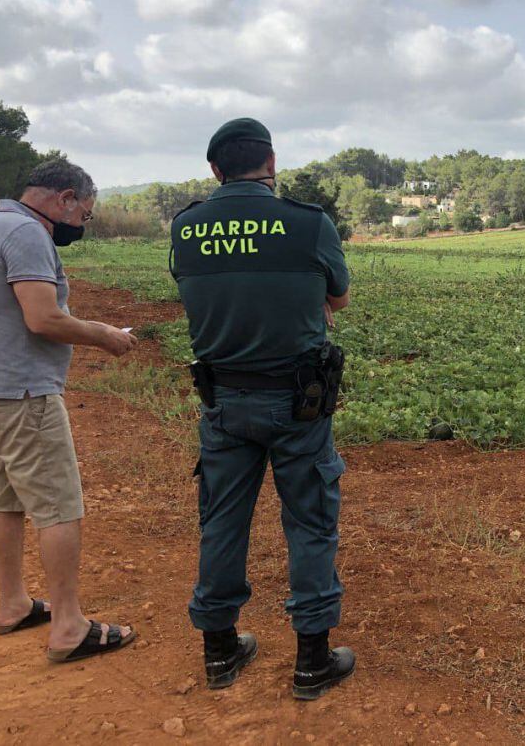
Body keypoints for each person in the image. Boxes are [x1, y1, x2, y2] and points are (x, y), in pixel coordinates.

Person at [169, 118, 354, 699]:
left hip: (222, 400)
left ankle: (220, 651)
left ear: (215, 171)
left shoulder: (187, 226)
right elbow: (339, 298)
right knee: (310, 522)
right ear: (271, 163)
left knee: (222, 521)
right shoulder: (308, 223)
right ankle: (311, 661)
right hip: (299, 402)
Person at [0, 158, 139, 662]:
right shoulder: (27, 234)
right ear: (63, 198)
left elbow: (22, 311)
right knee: (58, 505)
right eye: (85, 212)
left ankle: (13, 603)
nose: (82, 223)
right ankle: (68, 627)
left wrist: (78, 322)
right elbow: (41, 318)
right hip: (24, 396)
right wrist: (104, 336)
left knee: (6, 499)